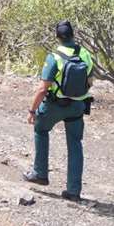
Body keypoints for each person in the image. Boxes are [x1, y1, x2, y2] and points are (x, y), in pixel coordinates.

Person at [23, 21, 95, 200]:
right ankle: (73, 191)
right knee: (75, 144)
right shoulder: (85, 54)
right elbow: (90, 81)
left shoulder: (54, 57)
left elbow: (42, 89)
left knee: (41, 129)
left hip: (55, 105)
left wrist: (32, 110)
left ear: (57, 37)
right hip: (77, 106)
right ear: (73, 34)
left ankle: (40, 173)